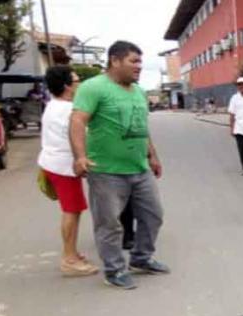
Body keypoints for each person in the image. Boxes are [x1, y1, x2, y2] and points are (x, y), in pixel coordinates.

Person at [70, 40, 169, 290]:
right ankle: (114, 270)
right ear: (115, 60)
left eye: (140, 62)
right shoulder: (93, 87)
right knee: (109, 223)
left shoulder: (138, 91)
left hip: (139, 168)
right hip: (106, 171)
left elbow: (141, 128)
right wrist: (80, 156)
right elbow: (78, 121)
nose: (139, 67)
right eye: (133, 61)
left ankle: (141, 258)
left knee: (153, 215)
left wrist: (152, 156)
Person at [37, 66, 99, 276]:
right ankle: (69, 260)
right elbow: (82, 136)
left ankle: (71, 252)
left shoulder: (55, 105)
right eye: (75, 80)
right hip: (63, 166)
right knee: (71, 211)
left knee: (74, 209)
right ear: (66, 86)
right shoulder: (67, 110)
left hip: (55, 163)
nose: (79, 83)